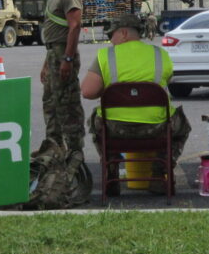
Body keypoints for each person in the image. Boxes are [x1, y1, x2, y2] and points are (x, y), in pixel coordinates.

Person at [81, 13, 192, 195]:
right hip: (156, 129)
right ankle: (159, 173)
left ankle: (111, 173)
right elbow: (166, 80)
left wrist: (112, 90)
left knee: (94, 120)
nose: (110, 40)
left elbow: (87, 92)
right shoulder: (160, 54)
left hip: (115, 130)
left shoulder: (105, 56)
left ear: (123, 33)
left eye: (112, 35)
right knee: (183, 126)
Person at [24, 0, 89, 209]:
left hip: (63, 52)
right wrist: (46, 63)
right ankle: (53, 150)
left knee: (67, 105)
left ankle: (74, 153)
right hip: (53, 52)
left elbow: (74, 26)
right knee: (50, 103)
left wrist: (68, 58)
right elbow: (54, 33)